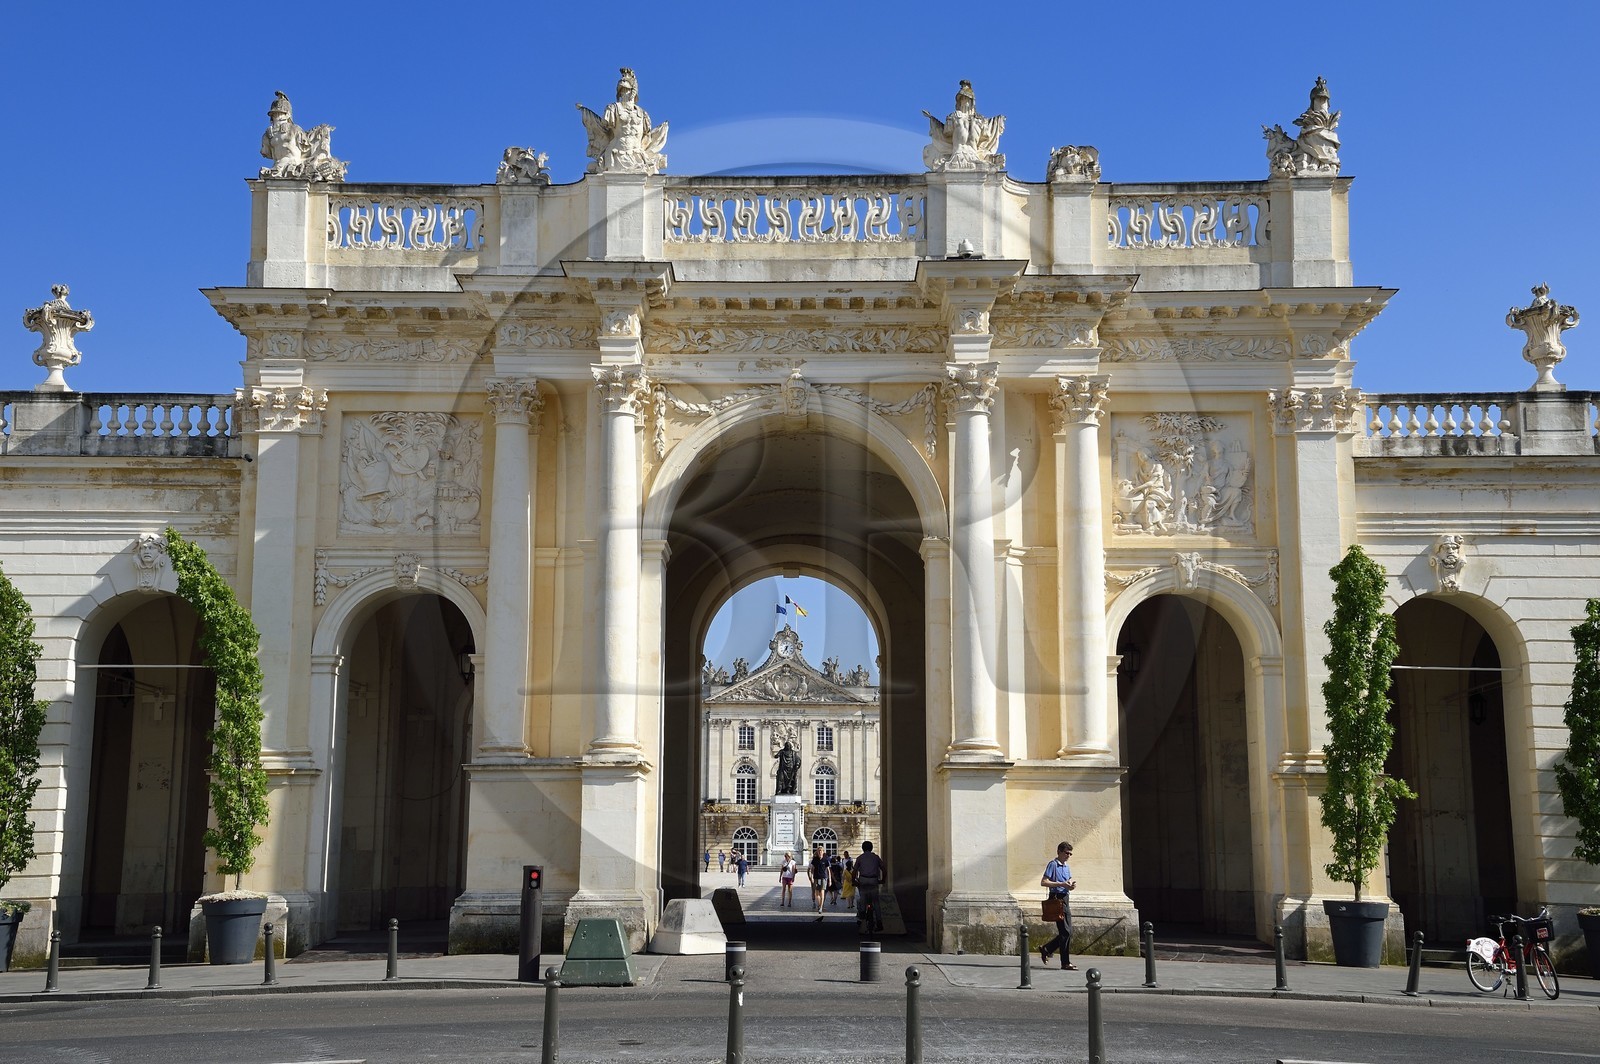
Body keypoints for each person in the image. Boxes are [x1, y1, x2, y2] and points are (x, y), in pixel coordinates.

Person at [1039, 841, 1077, 970]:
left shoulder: (1066, 866)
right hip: (1056, 899)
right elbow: (1044, 882)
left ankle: (1047, 948)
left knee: (1067, 931)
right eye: (1066, 853)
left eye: (1070, 854)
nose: (1068, 856)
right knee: (1066, 931)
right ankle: (1065, 962)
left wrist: (1071, 886)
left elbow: (1068, 882)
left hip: (1065, 898)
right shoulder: (1053, 864)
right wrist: (1061, 884)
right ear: (1059, 852)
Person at [853, 840, 885, 934]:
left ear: (862, 849)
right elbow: (884, 869)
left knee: (862, 897)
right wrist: (883, 880)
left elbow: (854, 872)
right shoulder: (876, 857)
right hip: (873, 880)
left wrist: (853, 881)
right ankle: (879, 922)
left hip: (863, 880)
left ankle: (862, 913)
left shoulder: (860, 858)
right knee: (876, 902)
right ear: (872, 848)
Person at [808, 845, 829, 918]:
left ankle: (820, 907)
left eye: (821, 850)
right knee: (816, 894)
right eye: (818, 851)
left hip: (823, 878)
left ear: (823, 852)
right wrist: (811, 877)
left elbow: (828, 870)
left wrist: (830, 880)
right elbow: (812, 869)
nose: (820, 852)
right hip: (816, 878)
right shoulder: (815, 859)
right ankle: (820, 904)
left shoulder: (825, 859)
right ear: (817, 852)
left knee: (822, 893)